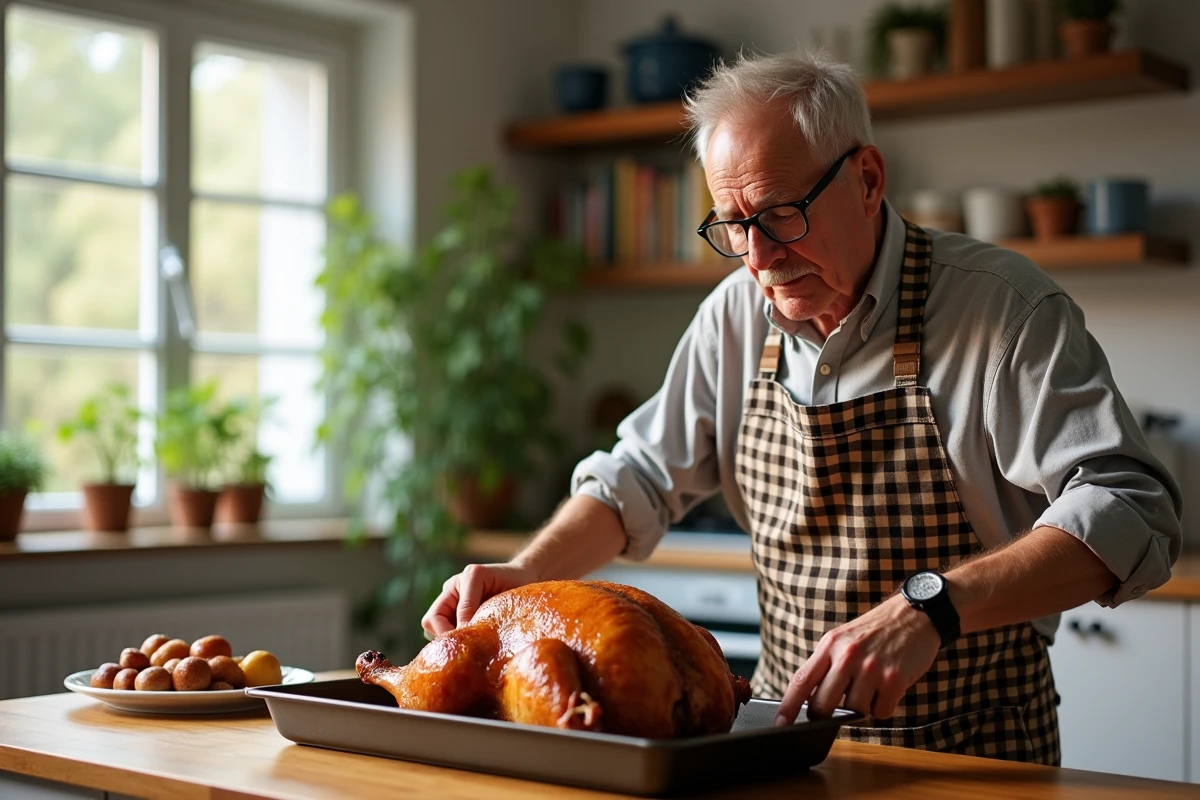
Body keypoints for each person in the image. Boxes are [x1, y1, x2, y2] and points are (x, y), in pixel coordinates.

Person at [422, 52, 1182, 765]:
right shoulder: (732, 318)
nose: (757, 256)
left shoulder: (1002, 310)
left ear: (868, 179)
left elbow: (1131, 506)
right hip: (790, 750)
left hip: (973, 750)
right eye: (733, 225)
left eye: (781, 214)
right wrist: (522, 572)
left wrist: (934, 607)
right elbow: (637, 478)